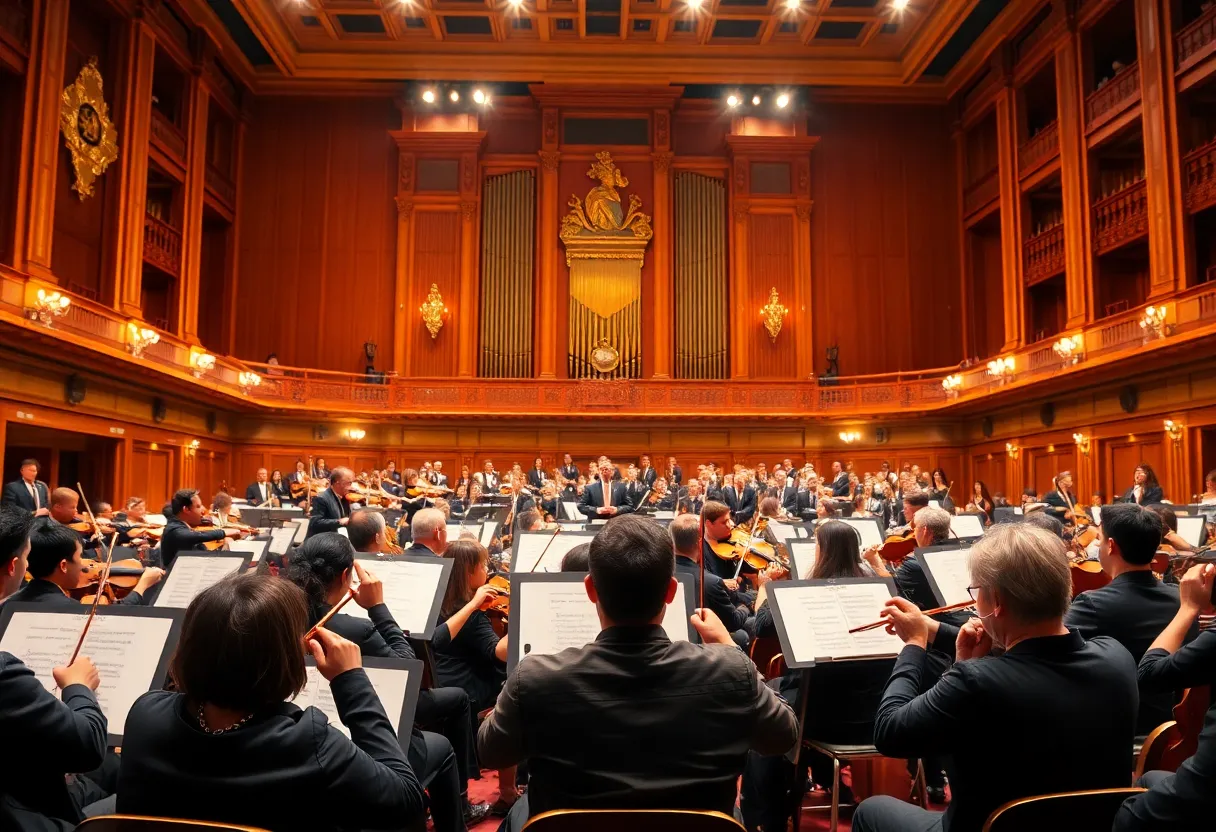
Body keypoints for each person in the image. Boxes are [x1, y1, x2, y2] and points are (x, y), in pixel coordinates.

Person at [478, 514, 797, 830]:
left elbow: (490, 751)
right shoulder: (730, 669)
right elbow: (784, 736)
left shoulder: (534, 677)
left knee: (521, 812)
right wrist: (730, 647)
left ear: (590, 590)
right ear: (672, 593)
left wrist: (516, 687)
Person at [852, 524, 1139, 832]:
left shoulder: (976, 682)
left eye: (976, 592)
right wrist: (940, 639)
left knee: (871, 810)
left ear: (997, 601)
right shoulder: (1117, 656)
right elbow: (1034, 657)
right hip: (1095, 825)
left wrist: (913, 644)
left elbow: (888, 731)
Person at [117, 574, 424, 830]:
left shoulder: (145, 713)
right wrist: (352, 680)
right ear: (284, 660)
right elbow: (407, 801)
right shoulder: (308, 740)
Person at [284, 531, 490, 828]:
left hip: (297, 729)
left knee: (453, 700)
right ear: (346, 575)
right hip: (355, 733)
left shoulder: (281, 616)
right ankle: (457, 811)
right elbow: (409, 671)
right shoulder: (354, 627)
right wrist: (378, 607)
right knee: (442, 745)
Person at [0, 505, 112, 830]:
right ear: (12, 565)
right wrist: (77, 686)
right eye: (25, 557)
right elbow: (88, 747)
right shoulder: (4, 672)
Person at [1063, 503, 1186, 733]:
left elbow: (1050, 654)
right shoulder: (1181, 600)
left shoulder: (1092, 605)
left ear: (1111, 546)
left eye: (1099, 539)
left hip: (1116, 731)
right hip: (1173, 731)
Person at [1114, 563, 1216, 830]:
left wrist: (1189, 607)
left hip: (1205, 795)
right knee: (1151, 778)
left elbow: (1148, 675)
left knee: (1128, 811)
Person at [433, 539, 517, 815]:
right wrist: (517, 621)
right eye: (483, 565)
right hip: (469, 686)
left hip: (437, 679)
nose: (487, 569)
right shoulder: (473, 611)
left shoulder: (438, 600)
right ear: (469, 571)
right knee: (514, 691)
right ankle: (508, 790)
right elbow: (498, 654)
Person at [3, 518, 164, 607]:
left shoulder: (7, 604)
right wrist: (142, 586)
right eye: (80, 557)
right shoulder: (72, 609)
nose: (85, 564)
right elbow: (115, 617)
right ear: (63, 566)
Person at [670, 514, 753, 649]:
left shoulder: (659, 573)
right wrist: (745, 606)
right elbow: (733, 623)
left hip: (670, 640)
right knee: (742, 634)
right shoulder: (711, 582)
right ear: (699, 543)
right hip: (703, 646)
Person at [160, 489, 245, 570]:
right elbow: (194, 536)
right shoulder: (174, 529)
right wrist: (223, 532)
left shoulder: (183, 526)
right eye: (198, 506)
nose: (203, 510)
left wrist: (226, 547)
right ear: (186, 509)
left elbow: (206, 556)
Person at [306, 466, 354, 539]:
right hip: (320, 543)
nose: (351, 487)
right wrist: (339, 522)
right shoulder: (321, 498)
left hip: (336, 540)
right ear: (338, 483)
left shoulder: (345, 497)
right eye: (349, 483)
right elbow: (315, 523)